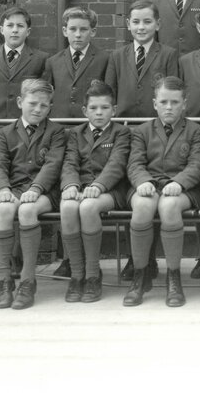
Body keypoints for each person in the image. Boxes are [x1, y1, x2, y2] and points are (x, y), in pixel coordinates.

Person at [123, 76, 200, 307]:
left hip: (182, 188)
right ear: (154, 103)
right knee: (142, 205)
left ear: (184, 103)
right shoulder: (142, 131)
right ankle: (140, 276)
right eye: (163, 102)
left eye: (175, 102)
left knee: (169, 206)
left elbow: (196, 165)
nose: (169, 107)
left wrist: (179, 183)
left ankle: (174, 277)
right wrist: (142, 181)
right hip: (149, 184)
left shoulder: (195, 131)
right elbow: (135, 163)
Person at [0, 78, 66, 309]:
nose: (38, 109)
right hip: (13, 189)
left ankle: (27, 281)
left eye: (44, 105)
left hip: (44, 192)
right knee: (3, 210)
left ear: (50, 106)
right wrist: (2, 189)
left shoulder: (56, 132)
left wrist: (36, 188)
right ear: (20, 102)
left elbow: (53, 164)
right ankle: (4, 280)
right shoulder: (5, 132)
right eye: (32, 104)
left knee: (28, 210)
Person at [58, 81, 132, 303]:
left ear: (114, 110)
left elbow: (116, 165)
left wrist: (97, 186)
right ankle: (77, 274)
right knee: (68, 207)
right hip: (80, 188)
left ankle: (92, 274)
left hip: (110, 191)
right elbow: (69, 163)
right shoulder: (74, 134)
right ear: (84, 111)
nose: (99, 113)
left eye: (105, 108)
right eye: (93, 108)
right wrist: (71, 185)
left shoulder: (122, 133)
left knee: (89, 207)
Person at [104, 0, 179, 117]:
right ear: (128, 24)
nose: (141, 27)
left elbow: (173, 92)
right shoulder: (116, 56)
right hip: (123, 124)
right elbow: (109, 95)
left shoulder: (169, 55)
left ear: (158, 24)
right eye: (136, 22)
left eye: (147, 22)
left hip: (156, 124)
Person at [0, 7, 49, 119]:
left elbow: (44, 96)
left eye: (20, 26)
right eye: (10, 25)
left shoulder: (41, 59)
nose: (15, 30)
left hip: (25, 123)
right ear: (1, 30)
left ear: (28, 31)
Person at [42, 6, 110, 119]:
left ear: (93, 32)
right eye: (73, 29)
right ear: (65, 31)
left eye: (83, 29)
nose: (78, 35)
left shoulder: (104, 59)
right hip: (59, 123)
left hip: (90, 124)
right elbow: (46, 96)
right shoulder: (53, 62)